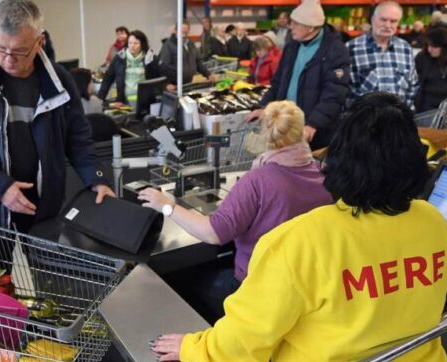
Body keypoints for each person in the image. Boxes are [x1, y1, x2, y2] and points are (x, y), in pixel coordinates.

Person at [152, 92, 447, 362]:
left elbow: (241, 344)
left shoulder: (300, 241)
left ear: (340, 160)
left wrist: (194, 346)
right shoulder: (432, 222)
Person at [138, 101, 331, 321]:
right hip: (305, 289)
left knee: (183, 280)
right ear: (303, 131)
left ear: (264, 133)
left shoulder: (258, 180)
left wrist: (166, 205)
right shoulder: (322, 174)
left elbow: (213, 232)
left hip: (254, 292)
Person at [0, 0, 114, 232]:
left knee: (49, 267)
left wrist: (96, 178)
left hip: (45, 205)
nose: (8, 58)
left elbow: (77, 137)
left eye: (20, 50)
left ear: (40, 42)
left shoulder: (59, 81)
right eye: (0, 47)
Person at [245, 0, 351, 151]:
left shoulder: (335, 51)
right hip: (286, 124)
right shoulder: (292, 47)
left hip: (314, 133)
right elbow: (277, 83)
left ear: (310, 27)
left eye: (296, 23)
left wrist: (313, 124)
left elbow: (334, 94)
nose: (290, 27)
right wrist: (263, 106)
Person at [346, 1, 419, 110]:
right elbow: (346, 90)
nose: (388, 25)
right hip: (364, 122)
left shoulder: (405, 48)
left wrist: (405, 114)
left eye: (393, 21)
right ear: (372, 19)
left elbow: (412, 85)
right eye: (383, 20)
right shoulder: (351, 48)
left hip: (398, 121)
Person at [97, 30, 161, 105]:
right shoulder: (119, 58)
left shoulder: (150, 59)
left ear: (142, 44)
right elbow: (108, 78)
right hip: (123, 102)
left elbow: (158, 78)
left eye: (136, 43)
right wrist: (100, 97)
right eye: (130, 43)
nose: (132, 46)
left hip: (145, 102)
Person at [415, 27, 447, 112]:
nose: (429, 49)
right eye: (428, 45)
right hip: (426, 106)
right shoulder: (422, 57)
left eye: (434, 47)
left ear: (445, 47)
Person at [159, 21, 217, 85]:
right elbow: (163, 66)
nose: (183, 35)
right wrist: (166, 84)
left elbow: (198, 62)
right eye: (182, 32)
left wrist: (208, 75)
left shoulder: (191, 44)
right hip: (175, 85)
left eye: (186, 32)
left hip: (189, 83)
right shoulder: (168, 45)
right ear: (175, 30)